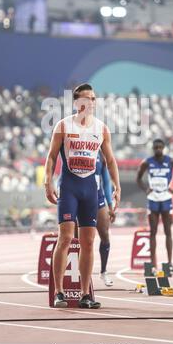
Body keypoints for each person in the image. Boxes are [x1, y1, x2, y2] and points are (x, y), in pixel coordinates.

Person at [44, 83, 121, 308]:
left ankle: (85, 294)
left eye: (94, 98)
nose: (91, 102)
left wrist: (117, 186)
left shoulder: (101, 128)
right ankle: (59, 292)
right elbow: (50, 157)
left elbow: (111, 160)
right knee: (66, 237)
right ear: (77, 103)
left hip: (90, 188)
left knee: (88, 241)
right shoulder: (63, 125)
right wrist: (47, 182)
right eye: (86, 98)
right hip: (69, 186)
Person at [136, 139, 173, 273]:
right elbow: (138, 178)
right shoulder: (147, 162)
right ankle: (153, 264)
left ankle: (169, 262)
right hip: (152, 199)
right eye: (156, 147)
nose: (158, 149)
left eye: (160, 147)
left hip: (166, 198)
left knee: (167, 231)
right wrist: (146, 189)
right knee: (153, 232)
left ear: (163, 148)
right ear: (153, 148)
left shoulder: (171, 161)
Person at [96, 150, 115, 286]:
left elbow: (106, 182)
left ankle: (103, 271)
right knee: (77, 239)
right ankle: (76, 273)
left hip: (98, 198)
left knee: (105, 235)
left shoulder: (101, 155)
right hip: (79, 198)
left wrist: (110, 205)